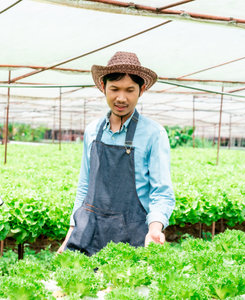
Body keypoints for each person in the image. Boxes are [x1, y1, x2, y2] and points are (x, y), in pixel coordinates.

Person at [58, 52, 175, 255]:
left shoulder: (154, 134)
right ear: (103, 87)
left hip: (133, 237)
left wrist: (155, 229)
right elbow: (84, 188)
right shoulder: (93, 131)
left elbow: (161, 192)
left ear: (142, 90)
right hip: (89, 235)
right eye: (114, 89)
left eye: (130, 90)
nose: (121, 98)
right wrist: (71, 233)